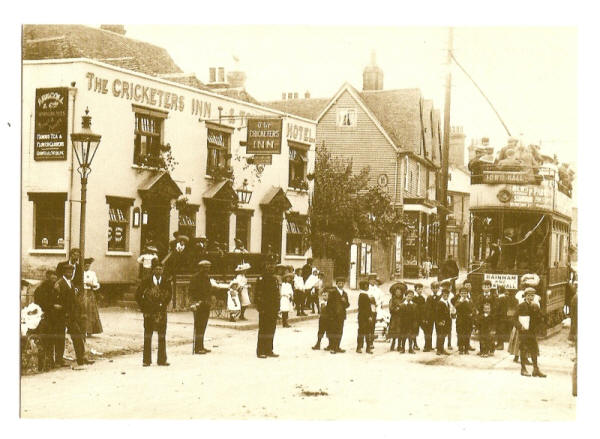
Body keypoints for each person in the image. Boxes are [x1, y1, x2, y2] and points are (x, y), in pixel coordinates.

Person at [54, 264, 94, 366]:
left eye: (71, 272)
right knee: (60, 338)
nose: (70, 274)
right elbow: (57, 299)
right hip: (61, 315)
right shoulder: (59, 283)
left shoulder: (70, 283)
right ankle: (59, 360)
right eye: (68, 272)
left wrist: (79, 312)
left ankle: (81, 358)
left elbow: (74, 300)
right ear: (64, 273)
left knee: (77, 336)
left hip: (71, 315)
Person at [188, 260, 228, 355]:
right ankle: (198, 348)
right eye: (205, 267)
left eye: (208, 267)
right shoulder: (195, 278)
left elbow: (209, 290)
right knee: (198, 326)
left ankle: (201, 346)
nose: (207, 269)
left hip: (206, 304)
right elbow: (191, 292)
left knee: (203, 325)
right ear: (200, 268)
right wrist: (193, 303)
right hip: (198, 304)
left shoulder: (207, 278)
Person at [135, 262, 171, 366]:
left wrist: (163, 305)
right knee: (148, 335)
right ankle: (146, 360)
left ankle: (162, 360)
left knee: (162, 335)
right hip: (149, 312)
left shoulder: (166, 281)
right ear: (153, 270)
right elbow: (138, 295)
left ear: (163, 270)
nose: (159, 271)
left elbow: (169, 295)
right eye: (157, 269)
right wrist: (144, 307)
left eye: (161, 269)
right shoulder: (146, 281)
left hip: (161, 312)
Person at [516, 287, 547, 377]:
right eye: (528, 296)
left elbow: (539, 317)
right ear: (525, 296)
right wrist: (519, 326)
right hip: (523, 331)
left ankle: (535, 369)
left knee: (534, 349)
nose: (530, 298)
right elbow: (514, 318)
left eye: (532, 296)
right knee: (523, 349)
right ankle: (523, 369)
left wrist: (541, 320)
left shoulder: (535, 306)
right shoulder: (521, 306)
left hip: (532, 331)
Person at [33, 270, 59, 370]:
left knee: (51, 340)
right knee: (44, 341)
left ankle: (50, 362)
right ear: (47, 278)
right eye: (52, 279)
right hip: (44, 318)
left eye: (55, 279)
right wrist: (53, 305)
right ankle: (42, 365)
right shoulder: (40, 289)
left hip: (53, 318)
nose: (54, 281)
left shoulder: (54, 289)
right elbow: (40, 304)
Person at [255, 260, 280, 358]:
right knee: (264, 329)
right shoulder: (261, 278)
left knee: (271, 329)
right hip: (265, 308)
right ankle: (261, 351)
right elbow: (258, 295)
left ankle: (269, 349)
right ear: (265, 265)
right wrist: (260, 307)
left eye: (273, 264)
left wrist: (278, 308)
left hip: (273, 308)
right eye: (269, 264)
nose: (271, 266)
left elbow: (277, 295)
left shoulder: (274, 279)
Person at [327, 276, 350, 354]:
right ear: (336, 284)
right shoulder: (333, 292)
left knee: (340, 331)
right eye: (339, 283)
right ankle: (332, 347)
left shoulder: (345, 294)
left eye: (342, 283)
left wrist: (344, 301)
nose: (341, 284)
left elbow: (347, 305)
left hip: (341, 316)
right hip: (334, 316)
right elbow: (329, 304)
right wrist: (330, 315)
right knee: (333, 331)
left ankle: (337, 346)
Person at [82, 258, 103, 337]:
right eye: (85, 266)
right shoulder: (79, 273)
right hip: (82, 292)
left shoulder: (92, 273)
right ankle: (82, 329)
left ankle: (89, 330)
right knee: (82, 310)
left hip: (89, 293)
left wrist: (92, 285)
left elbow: (96, 284)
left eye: (88, 266)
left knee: (90, 311)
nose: (87, 267)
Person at [455, 286, 474, 355]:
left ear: (467, 294)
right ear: (460, 294)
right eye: (462, 293)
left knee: (467, 334)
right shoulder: (458, 300)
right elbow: (456, 307)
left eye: (465, 293)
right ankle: (460, 348)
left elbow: (472, 309)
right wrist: (461, 302)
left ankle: (466, 348)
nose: (464, 295)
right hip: (460, 319)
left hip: (468, 320)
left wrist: (466, 302)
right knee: (460, 334)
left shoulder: (469, 300)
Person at [356, 280, 374, 354]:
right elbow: (366, 308)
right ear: (365, 287)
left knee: (362, 332)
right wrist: (369, 316)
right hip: (364, 317)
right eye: (367, 286)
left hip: (361, 316)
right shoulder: (364, 295)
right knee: (366, 332)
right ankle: (365, 348)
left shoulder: (363, 295)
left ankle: (360, 347)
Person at [422, 281, 440, 352]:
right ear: (431, 289)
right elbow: (426, 308)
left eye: (436, 288)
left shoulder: (440, 297)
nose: (435, 289)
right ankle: (428, 346)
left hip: (438, 316)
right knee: (428, 331)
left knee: (439, 331)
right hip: (430, 317)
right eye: (433, 288)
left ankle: (439, 347)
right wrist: (426, 317)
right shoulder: (429, 297)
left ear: (438, 288)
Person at [400, 290, 418, 354]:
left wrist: (415, 323)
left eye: (411, 296)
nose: (409, 298)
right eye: (408, 296)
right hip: (404, 323)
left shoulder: (414, 305)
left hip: (411, 323)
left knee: (411, 336)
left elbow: (415, 315)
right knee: (403, 336)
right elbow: (400, 316)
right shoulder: (402, 305)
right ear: (405, 296)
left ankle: (410, 349)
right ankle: (403, 348)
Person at [435, 287, 452, 356]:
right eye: (444, 295)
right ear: (442, 295)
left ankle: (442, 349)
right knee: (440, 335)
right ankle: (439, 349)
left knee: (444, 335)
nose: (446, 296)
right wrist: (440, 321)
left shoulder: (447, 302)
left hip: (447, 321)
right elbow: (437, 314)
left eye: (447, 295)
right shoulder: (440, 303)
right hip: (441, 322)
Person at [495, 285, 510, 350]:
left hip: (501, 317)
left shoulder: (502, 298)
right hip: (501, 317)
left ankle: (501, 345)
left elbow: (500, 309)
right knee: (498, 330)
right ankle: (499, 344)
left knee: (500, 331)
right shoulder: (503, 298)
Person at [388, 287, 403, 352]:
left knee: (400, 331)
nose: (398, 293)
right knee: (394, 331)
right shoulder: (392, 300)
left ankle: (399, 345)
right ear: (394, 293)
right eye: (397, 292)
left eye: (400, 292)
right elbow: (390, 308)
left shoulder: (402, 299)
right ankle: (393, 344)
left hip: (401, 317)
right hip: (394, 317)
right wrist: (396, 309)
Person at [413, 282, 425, 350]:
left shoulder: (422, 298)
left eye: (421, 289)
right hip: (415, 317)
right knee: (415, 330)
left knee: (426, 329)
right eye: (418, 289)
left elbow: (424, 308)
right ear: (415, 290)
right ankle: (415, 344)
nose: (420, 290)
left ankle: (427, 344)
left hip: (421, 316)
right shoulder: (414, 298)